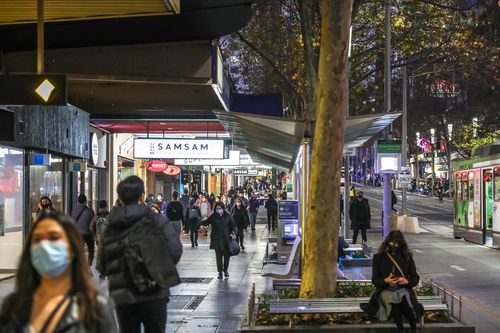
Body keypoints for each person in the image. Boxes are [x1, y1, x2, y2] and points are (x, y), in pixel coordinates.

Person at [0, 213, 118, 332]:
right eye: (38, 239)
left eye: (54, 238)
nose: (45, 246)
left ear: (72, 248)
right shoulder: (13, 305)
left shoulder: (95, 307)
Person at [98, 176, 182, 333]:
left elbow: (101, 262)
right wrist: (158, 264)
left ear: (120, 196)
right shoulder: (156, 219)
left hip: (123, 292)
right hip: (154, 289)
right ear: (142, 195)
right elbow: (175, 250)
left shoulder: (110, 223)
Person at [362, 230, 422, 333]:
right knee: (394, 301)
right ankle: (403, 329)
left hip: (403, 288)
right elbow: (375, 279)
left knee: (403, 299)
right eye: (392, 243)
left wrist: (406, 280)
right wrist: (386, 280)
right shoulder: (379, 257)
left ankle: (412, 328)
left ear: (401, 243)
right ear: (387, 242)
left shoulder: (407, 256)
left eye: (397, 243)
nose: (395, 245)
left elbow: (415, 278)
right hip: (385, 289)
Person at [200, 204, 237, 279]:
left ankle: (225, 270)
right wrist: (198, 222)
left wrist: (234, 233)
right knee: (218, 257)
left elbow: (234, 226)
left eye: (220, 208)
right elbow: (206, 222)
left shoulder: (228, 216)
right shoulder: (213, 216)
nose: (218, 210)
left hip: (226, 239)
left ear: (223, 208)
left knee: (227, 256)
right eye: (217, 208)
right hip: (216, 239)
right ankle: (220, 272)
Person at [71, 194, 95, 266]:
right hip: (88, 233)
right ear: (86, 201)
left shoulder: (73, 210)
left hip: (78, 234)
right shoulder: (90, 211)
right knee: (91, 250)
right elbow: (92, 222)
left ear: (78, 201)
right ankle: (89, 266)